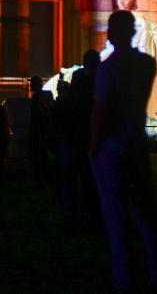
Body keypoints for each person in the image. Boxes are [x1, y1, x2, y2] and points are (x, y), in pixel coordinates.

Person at [90, 10, 157, 292]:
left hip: (112, 145)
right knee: (145, 209)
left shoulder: (107, 68)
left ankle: (124, 277)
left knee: (115, 212)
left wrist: (93, 145)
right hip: (137, 141)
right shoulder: (147, 64)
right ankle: (156, 270)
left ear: (110, 34)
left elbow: (101, 111)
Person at [63, 49, 101, 228]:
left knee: (72, 181)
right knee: (90, 181)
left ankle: (72, 216)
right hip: (91, 137)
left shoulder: (78, 81)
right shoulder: (98, 83)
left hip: (76, 137)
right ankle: (92, 216)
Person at [27, 75, 53, 185]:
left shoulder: (39, 97)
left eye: (32, 83)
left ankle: (40, 178)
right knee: (40, 155)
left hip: (40, 130)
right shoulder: (44, 96)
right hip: (40, 130)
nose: (30, 85)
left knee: (39, 155)